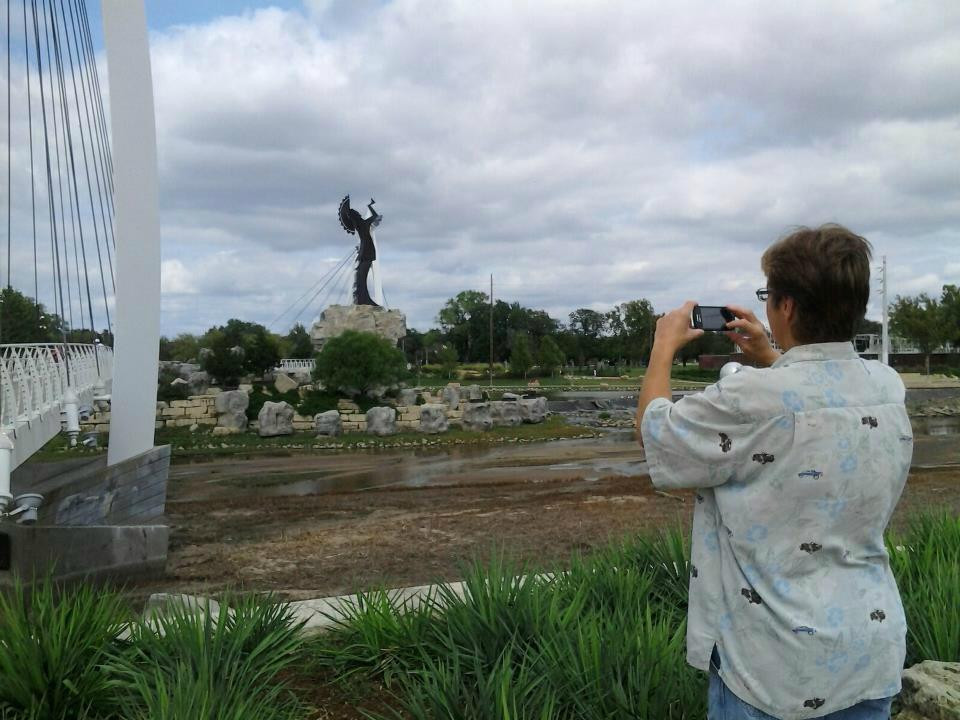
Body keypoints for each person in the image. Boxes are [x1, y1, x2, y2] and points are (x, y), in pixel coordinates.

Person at [637, 225, 911, 720]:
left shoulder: (749, 397)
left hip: (772, 668)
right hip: (869, 652)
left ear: (786, 306)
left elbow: (657, 432)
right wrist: (772, 357)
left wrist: (662, 347)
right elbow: (814, 395)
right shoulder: (888, 387)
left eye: (769, 297)